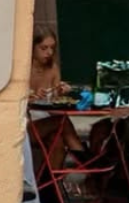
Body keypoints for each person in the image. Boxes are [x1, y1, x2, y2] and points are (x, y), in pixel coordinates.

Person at [29, 27, 88, 173]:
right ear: (32, 48)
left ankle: (50, 187)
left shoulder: (52, 68)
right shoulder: (22, 70)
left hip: (46, 121)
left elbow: (54, 102)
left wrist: (61, 91)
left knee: (58, 144)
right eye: (44, 48)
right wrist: (30, 95)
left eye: (52, 48)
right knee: (62, 121)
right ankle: (85, 159)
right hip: (26, 126)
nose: (49, 53)